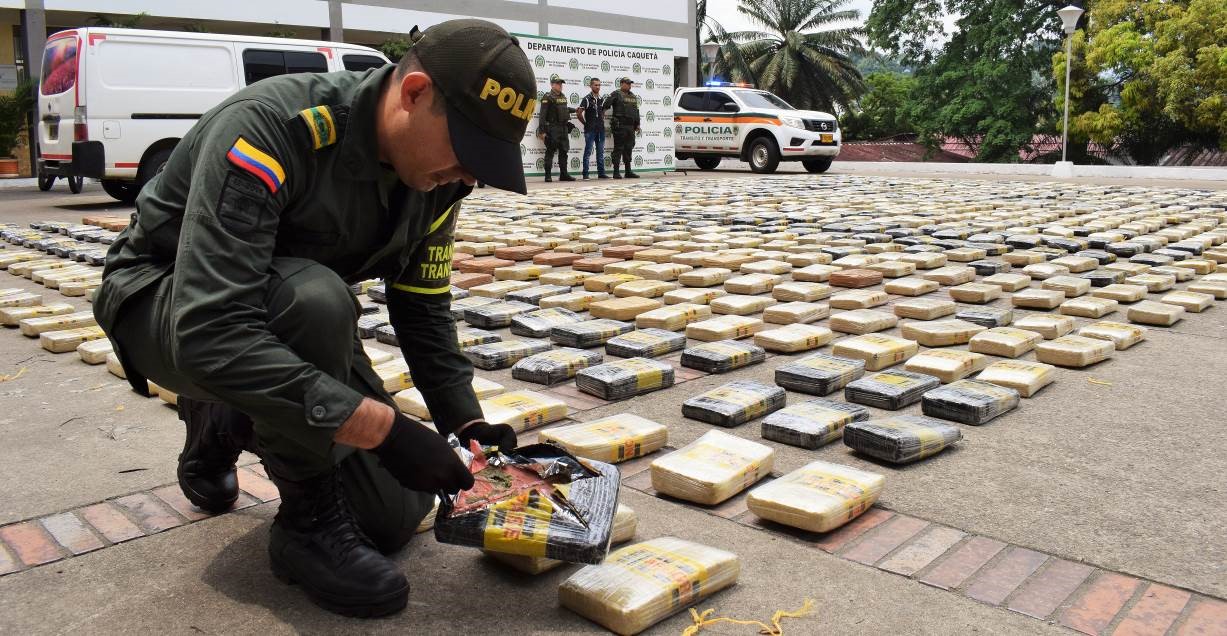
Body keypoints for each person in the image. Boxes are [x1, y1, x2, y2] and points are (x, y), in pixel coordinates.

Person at [92, 19, 533, 618]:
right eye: (468, 150)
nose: (471, 175)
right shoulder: (271, 131)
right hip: (168, 307)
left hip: (282, 324)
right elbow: (210, 330)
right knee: (318, 300)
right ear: (414, 93)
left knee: (391, 516)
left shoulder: (434, 182)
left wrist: (467, 424)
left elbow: (423, 307)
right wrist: (385, 429)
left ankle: (229, 418)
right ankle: (305, 524)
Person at [536, 74, 574, 182]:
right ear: (552, 85)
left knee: (564, 152)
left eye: (561, 83)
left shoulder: (562, 96)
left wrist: (575, 110)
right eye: (558, 83)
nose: (560, 85)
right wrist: (542, 131)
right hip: (552, 128)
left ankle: (564, 174)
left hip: (563, 128)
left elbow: (565, 109)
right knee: (550, 151)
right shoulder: (547, 97)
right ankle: (548, 175)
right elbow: (542, 115)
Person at [605, 76, 640, 179]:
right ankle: (616, 172)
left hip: (630, 126)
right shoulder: (616, 93)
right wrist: (602, 112)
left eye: (630, 83)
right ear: (621, 84)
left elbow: (636, 111)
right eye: (627, 83)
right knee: (619, 148)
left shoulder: (632, 96)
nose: (629, 85)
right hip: (620, 126)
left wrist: (637, 124)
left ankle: (628, 171)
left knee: (629, 148)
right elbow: (606, 104)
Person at [575, 77, 608, 180]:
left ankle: (601, 173)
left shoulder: (601, 99)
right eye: (595, 85)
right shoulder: (587, 99)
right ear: (591, 86)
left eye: (599, 85)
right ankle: (585, 174)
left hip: (600, 129)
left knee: (600, 152)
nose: (597, 87)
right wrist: (585, 123)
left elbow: (602, 112)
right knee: (588, 151)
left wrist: (601, 120)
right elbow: (579, 113)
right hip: (590, 130)